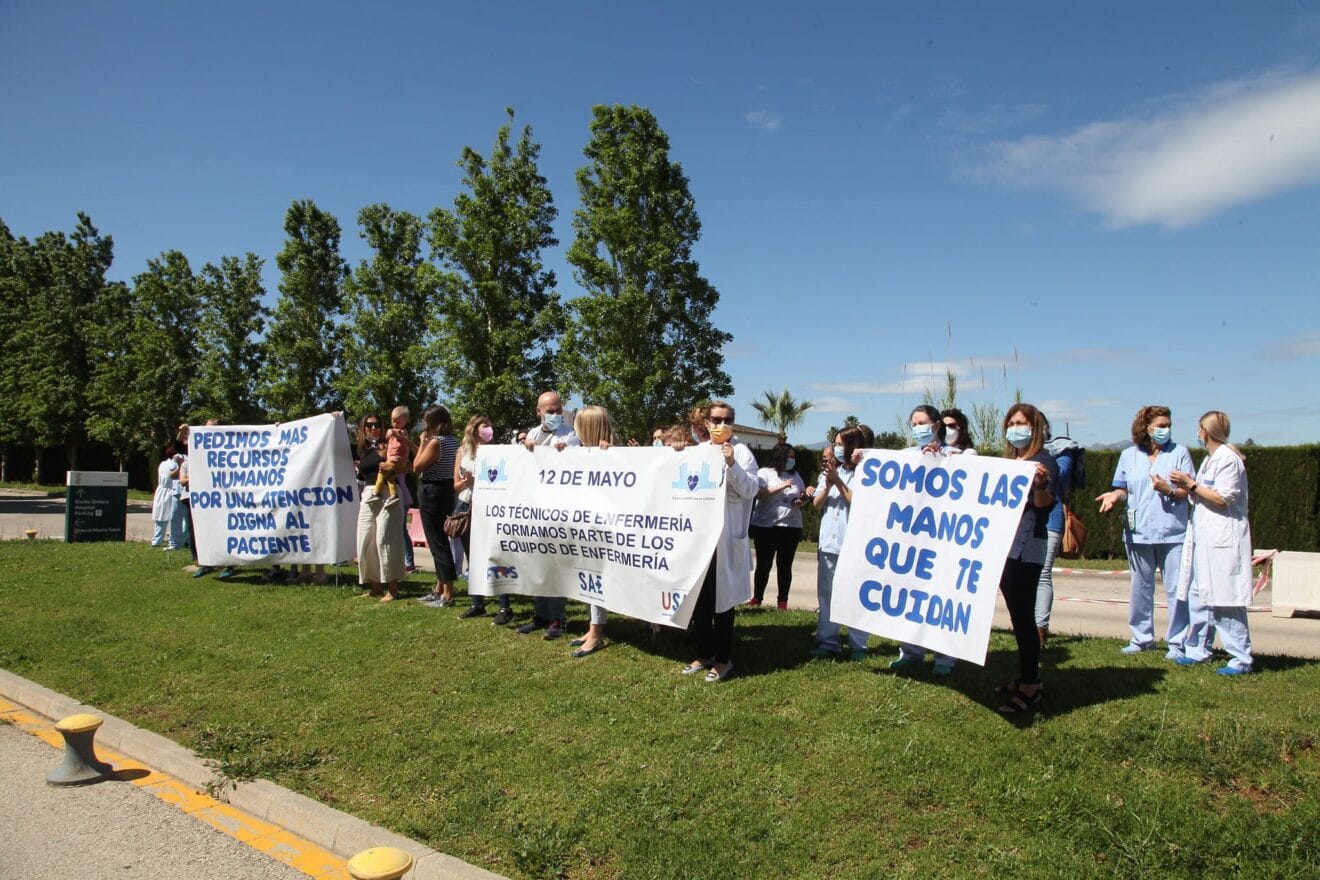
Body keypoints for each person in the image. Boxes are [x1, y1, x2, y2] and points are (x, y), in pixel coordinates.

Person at [1095, 405, 1195, 659]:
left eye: (1168, 425)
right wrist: (1114, 496)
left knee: (1176, 589)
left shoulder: (1180, 453)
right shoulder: (1129, 456)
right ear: (1146, 427)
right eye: (1161, 425)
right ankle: (1141, 638)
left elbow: (1189, 490)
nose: (1166, 429)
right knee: (1140, 588)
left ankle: (1177, 643)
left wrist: (1169, 490)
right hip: (1138, 532)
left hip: (1173, 532)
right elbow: (1123, 488)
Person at [1168, 411, 1254, 675]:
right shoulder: (1210, 459)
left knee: (1226, 598)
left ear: (1205, 429)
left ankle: (1241, 658)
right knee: (1197, 594)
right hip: (1203, 538)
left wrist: (1189, 484)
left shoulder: (1228, 460)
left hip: (1223, 538)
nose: (1197, 433)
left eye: (1199, 428)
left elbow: (1221, 498)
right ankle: (1197, 649)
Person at [682, 401, 759, 682]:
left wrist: (731, 464)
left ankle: (723, 660)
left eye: (726, 420)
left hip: (727, 540)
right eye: (716, 420)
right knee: (700, 600)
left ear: (733, 422)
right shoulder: (700, 451)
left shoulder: (741, 452)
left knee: (723, 602)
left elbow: (752, 489)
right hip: (700, 538)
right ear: (707, 423)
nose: (721, 425)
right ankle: (703, 654)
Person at [994, 403, 1059, 714]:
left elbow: (1045, 505)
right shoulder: (1011, 461)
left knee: (1023, 617)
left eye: (1022, 423)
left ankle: (1031, 685)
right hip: (1005, 547)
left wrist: (1041, 485)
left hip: (1028, 547)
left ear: (1035, 428)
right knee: (1017, 615)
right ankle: (1024, 677)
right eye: (1011, 422)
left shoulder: (1043, 462)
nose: (1015, 427)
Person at [892, 405, 959, 675]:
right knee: (910, 596)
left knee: (941, 597)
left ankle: (944, 658)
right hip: (912, 537)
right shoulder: (905, 456)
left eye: (923, 422)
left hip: (942, 539)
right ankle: (910, 652)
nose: (918, 427)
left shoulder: (955, 455)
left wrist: (940, 458)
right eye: (914, 423)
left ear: (936, 426)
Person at [517, 390, 581, 639]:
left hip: (558, 512)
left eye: (558, 410)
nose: (555, 415)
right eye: (549, 411)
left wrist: (567, 452)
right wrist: (525, 449)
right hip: (534, 511)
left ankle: (557, 618)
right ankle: (540, 614)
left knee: (555, 567)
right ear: (539, 412)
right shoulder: (532, 435)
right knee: (537, 565)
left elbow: (576, 463)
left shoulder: (570, 434)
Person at [810, 426, 872, 660]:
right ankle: (828, 641)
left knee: (854, 593)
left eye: (840, 444)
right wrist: (828, 481)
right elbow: (817, 504)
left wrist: (837, 481)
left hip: (852, 542)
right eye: (834, 443)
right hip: (828, 542)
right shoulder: (830, 471)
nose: (836, 448)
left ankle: (858, 644)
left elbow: (857, 502)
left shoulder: (865, 473)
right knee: (827, 594)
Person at [455, 414, 514, 623]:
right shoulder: (463, 452)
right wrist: (467, 482)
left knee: (495, 556)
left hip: (490, 509)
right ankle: (476, 603)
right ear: (474, 429)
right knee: (474, 558)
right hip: (466, 505)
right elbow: (456, 485)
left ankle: (505, 607)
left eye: (490, 425)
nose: (489, 429)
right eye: (484, 426)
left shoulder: (498, 452)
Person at [566, 405, 615, 657]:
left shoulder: (611, 454)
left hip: (600, 528)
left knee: (595, 579)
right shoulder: (578, 451)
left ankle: (596, 632)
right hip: (582, 525)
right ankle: (591, 626)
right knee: (585, 577)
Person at [412, 406, 461, 608]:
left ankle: (447, 593)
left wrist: (422, 442)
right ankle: (439, 587)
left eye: (426, 421)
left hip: (432, 492)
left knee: (437, 542)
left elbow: (416, 466)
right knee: (439, 541)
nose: (424, 425)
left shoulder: (435, 442)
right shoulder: (453, 441)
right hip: (447, 491)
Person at [1037, 421, 1081, 644]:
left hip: (1051, 520)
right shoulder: (1018, 454)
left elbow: (1058, 475)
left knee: (1043, 574)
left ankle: (1040, 628)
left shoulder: (1063, 452)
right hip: (1024, 523)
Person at [749, 442, 806, 610]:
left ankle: (782, 602)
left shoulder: (795, 475)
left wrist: (801, 500)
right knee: (764, 565)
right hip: (766, 526)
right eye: (789, 457)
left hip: (791, 526)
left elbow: (801, 495)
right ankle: (757, 598)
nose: (792, 460)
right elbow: (759, 494)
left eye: (793, 457)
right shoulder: (764, 473)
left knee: (785, 565)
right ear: (779, 456)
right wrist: (781, 485)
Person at [355, 413, 404, 601]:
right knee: (365, 538)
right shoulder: (361, 449)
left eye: (376, 425)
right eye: (369, 425)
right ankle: (374, 586)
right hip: (368, 493)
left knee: (385, 539)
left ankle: (392, 589)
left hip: (387, 493)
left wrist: (392, 468)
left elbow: (407, 465)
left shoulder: (390, 444)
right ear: (363, 428)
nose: (373, 428)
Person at [374, 405, 412, 502]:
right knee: (390, 477)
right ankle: (393, 495)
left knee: (382, 472)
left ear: (405, 421)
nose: (394, 424)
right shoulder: (390, 432)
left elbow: (400, 437)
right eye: (393, 421)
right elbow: (386, 439)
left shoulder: (403, 432)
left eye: (398, 422)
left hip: (397, 460)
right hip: (393, 459)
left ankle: (376, 492)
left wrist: (393, 432)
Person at [151, 444, 185, 549]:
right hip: (171, 491)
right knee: (176, 519)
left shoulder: (162, 463)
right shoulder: (175, 465)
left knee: (160, 517)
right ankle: (177, 541)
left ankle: (156, 540)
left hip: (161, 490)